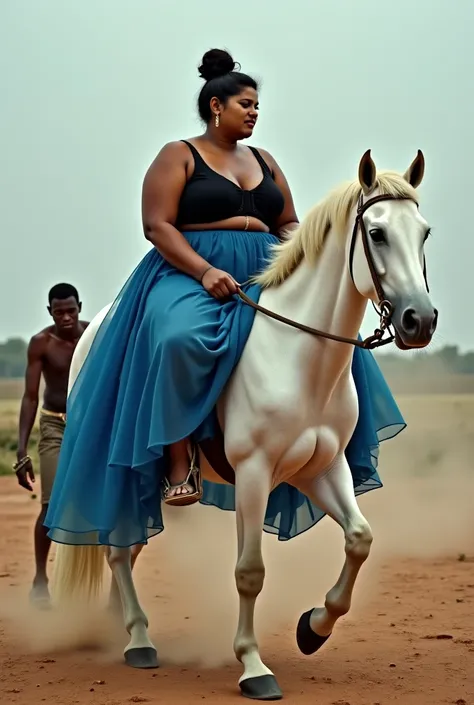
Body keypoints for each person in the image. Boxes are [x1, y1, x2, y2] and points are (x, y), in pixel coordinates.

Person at [44, 49, 405, 548]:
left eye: (258, 106)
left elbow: (289, 224)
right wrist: (205, 269)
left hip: (266, 267)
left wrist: (311, 256)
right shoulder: (179, 154)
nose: (255, 112)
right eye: (246, 104)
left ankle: (324, 442)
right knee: (177, 338)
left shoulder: (265, 161)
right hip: (187, 270)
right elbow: (157, 226)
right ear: (217, 106)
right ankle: (179, 461)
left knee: (327, 337)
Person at [15, 283, 89, 606]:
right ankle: (41, 578)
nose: (66, 317)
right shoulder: (41, 344)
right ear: (50, 312)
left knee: (99, 501)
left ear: (80, 307)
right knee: (51, 504)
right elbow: (30, 397)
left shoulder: (93, 336)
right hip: (53, 425)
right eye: (59, 312)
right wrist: (20, 451)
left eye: (71, 310)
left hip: (88, 424)